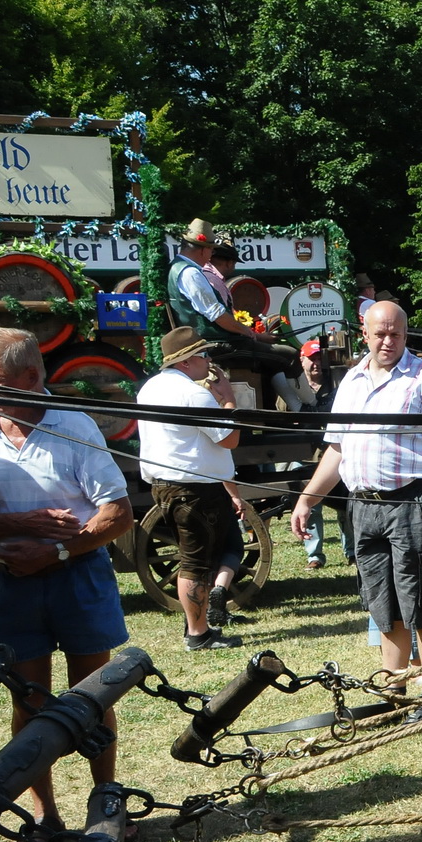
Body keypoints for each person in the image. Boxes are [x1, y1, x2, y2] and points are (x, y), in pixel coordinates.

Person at [0, 328, 136, 842]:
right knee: (28, 701)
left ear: (30, 377)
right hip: (6, 585)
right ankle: (44, 817)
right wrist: (23, 526)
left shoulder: (74, 426)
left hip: (77, 575)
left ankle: (106, 808)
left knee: (94, 696)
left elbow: (117, 515)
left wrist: (55, 551)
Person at [291, 302, 422, 712]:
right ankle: (394, 693)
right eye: (380, 334)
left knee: (419, 601)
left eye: (396, 334)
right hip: (363, 507)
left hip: (413, 504)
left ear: (406, 335)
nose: (388, 341)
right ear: (364, 334)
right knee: (383, 605)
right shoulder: (351, 381)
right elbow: (337, 449)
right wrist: (307, 499)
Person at [136, 326, 245, 649]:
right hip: (195, 488)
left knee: (194, 558)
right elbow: (230, 438)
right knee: (196, 562)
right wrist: (227, 400)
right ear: (185, 361)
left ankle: (197, 627)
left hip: (167, 484)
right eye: (203, 355)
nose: (208, 361)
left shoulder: (150, 388)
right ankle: (197, 634)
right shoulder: (193, 394)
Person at [167, 219, 304, 411]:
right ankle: (311, 407)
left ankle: (295, 410)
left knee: (272, 362)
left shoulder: (179, 268)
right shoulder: (191, 273)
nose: (211, 255)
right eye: (211, 250)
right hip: (218, 345)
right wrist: (251, 334)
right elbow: (218, 316)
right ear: (202, 250)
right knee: (289, 356)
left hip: (213, 342)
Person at [292, 339, 352, 568]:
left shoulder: (336, 386)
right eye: (311, 358)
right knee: (311, 505)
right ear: (302, 360)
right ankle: (314, 555)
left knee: (345, 505)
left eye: (319, 358)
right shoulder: (293, 389)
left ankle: (351, 551)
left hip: (331, 453)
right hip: (304, 456)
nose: (316, 363)